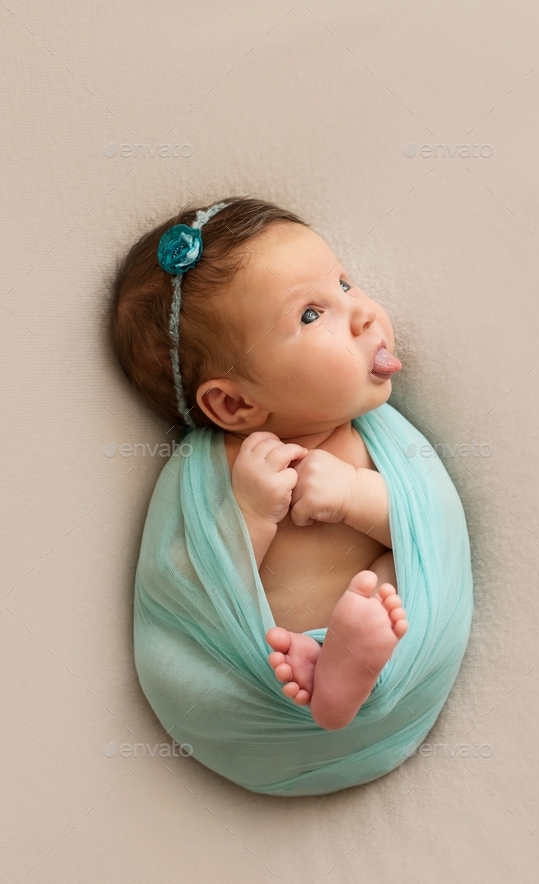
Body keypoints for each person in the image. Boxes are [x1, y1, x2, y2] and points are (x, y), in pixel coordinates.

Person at [110, 197, 473, 795]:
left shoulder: (379, 444)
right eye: (311, 315)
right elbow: (183, 585)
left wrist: (356, 495)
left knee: (387, 582)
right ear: (233, 405)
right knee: (366, 601)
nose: (361, 314)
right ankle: (331, 668)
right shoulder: (213, 472)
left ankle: (349, 665)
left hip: (388, 678)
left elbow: (430, 527)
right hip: (265, 681)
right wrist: (247, 515)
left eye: (344, 281)